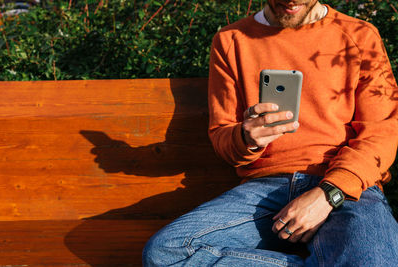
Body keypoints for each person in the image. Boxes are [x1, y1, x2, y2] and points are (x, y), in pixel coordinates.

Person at [143, 1, 398, 266]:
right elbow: (222, 134)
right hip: (263, 191)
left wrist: (327, 195)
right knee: (166, 253)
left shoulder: (359, 35)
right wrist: (245, 138)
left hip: (346, 188)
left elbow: (381, 133)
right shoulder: (231, 41)